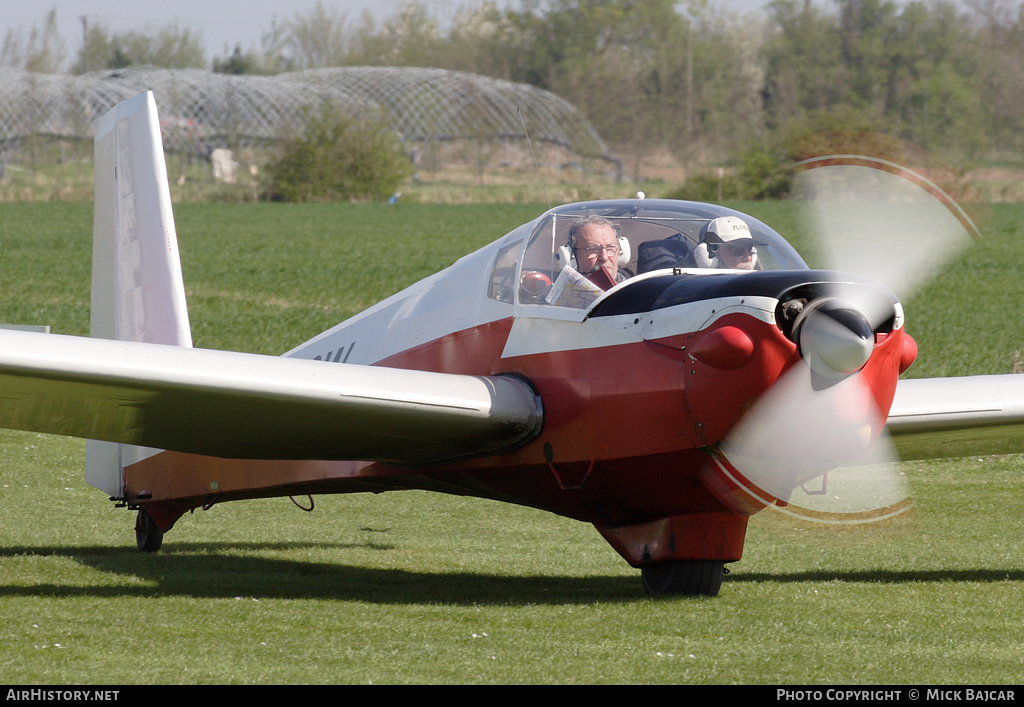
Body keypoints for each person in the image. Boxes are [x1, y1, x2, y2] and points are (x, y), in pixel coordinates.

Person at [567, 215, 630, 288]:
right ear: (573, 255)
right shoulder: (559, 296)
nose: (604, 257)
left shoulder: (637, 291)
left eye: (610, 248)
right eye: (592, 249)